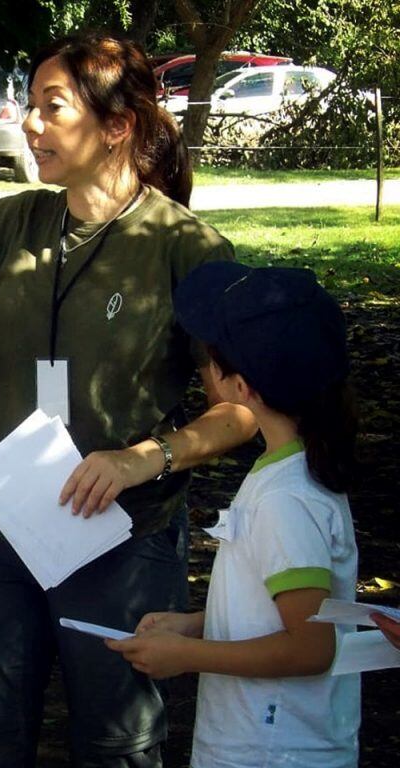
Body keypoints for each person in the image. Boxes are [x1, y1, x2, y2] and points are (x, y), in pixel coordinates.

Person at [0, 32, 257, 767]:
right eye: (30, 106)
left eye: (51, 107)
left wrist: (146, 458)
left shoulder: (185, 247)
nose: (31, 124)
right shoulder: (18, 222)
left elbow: (246, 409)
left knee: (116, 745)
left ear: (118, 125)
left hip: (121, 543)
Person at [107, 262, 360, 767]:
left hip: (274, 751)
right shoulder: (294, 468)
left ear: (240, 388)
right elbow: (287, 608)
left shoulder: (285, 499)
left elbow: (310, 646)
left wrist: (187, 657)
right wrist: (200, 625)